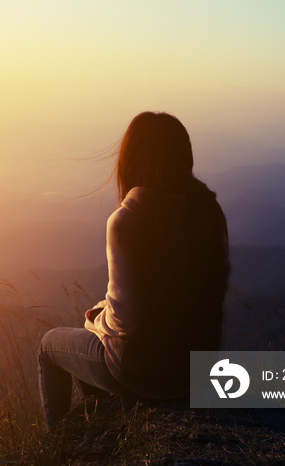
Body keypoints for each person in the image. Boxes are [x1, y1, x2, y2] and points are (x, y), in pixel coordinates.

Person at [37, 111, 230, 432]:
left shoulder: (128, 219)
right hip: (197, 372)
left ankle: (59, 444)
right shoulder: (208, 211)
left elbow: (125, 323)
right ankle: (100, 422)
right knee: (97, 333)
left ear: (130, 160)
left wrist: (97, 319)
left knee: (48, 345)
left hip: (144, 376)